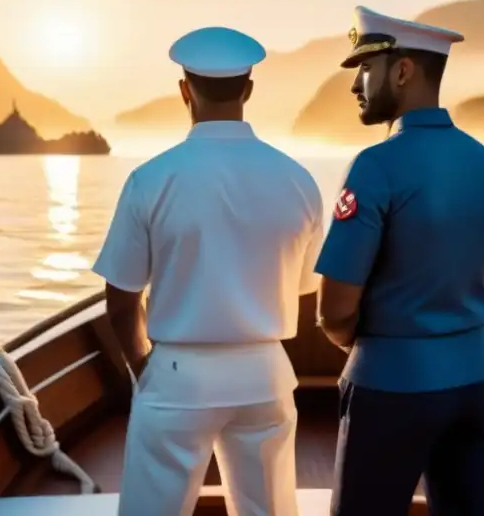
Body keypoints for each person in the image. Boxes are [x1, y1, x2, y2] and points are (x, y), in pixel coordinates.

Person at [92, 26, 324, 516]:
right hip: (265, 374)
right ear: (249, 90)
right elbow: (305, 288)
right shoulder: (299, 181)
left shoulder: (149, 180)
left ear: (184, 91)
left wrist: (144, 365)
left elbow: (121, 299)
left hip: (178, 375)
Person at [314, 6, 484, 516]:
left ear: (402, 71)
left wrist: (365, 347)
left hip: (391, 387)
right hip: (474, 383)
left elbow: (334, 309)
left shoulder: (375, 166)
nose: (357, 85)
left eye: (366, 69)